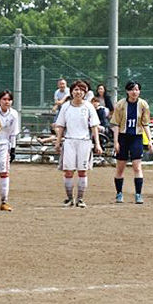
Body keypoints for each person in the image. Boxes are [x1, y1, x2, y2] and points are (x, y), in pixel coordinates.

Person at [55, 80, 102, 208]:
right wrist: (58, 142)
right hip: (69, 141)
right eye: (76, 89)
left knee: (82, 171)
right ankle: (70, 198)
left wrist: (97, 144)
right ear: (71, 91)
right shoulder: (66, 106)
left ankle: (80, 199)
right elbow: (61, 126)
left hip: (84, 142)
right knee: (68, 172)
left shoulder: (88, 106)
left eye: (81, 90)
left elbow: (94, 127)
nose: (78, 92)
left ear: (85, 93)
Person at [110, 80, 153, 204]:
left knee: (137, 166)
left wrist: (149, 140)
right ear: (127, 91)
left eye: (137, 89)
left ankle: (138, 194)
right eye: (132, 89)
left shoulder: (143, 104)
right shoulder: (121, 104)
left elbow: (145, 124)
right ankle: (119, 193)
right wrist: (116, 142)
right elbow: (115, 124)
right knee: (120, 168)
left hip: (136, 137)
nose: (134, 92)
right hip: (123, 137)